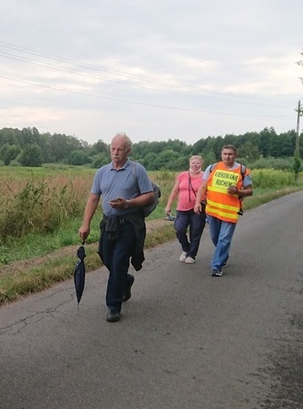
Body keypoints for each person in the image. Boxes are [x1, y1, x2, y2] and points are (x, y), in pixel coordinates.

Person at [78, 133, 154, 323]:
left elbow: (149, 196)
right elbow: (94, 198)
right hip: (108, 223)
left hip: (129, 224)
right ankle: (125, 281)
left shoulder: (137, 170)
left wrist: (127, 203)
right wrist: (85, 223)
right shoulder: (102, 172)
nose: (115, 152)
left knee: (119, 261)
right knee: (106, 256)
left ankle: (113, 306)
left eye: (120, 149)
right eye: (113, 148)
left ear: (128, 150)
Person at [194, 145, 253, 277]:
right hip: (212, 210)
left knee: (224, 239)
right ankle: (223, 255)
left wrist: (238, 191)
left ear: (235, 156)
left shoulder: (242, 170)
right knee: (215, 237)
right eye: (225, 154)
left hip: (230, 212)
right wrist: (198, 202)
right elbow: (203, 187)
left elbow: (250, 190)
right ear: (221, 155)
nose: (227, 156)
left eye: (230, 154)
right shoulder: (213, 168)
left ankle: (216, 266)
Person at [164, 155, 207, 264]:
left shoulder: (205, 177)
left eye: (198, 163)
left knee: (195, 232)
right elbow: (175, 191)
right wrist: (169, 205)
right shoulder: (182, 175)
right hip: (182, 208)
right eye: (193, 163)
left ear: (202, 164)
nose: (195, 165)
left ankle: (191, 255)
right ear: (189, 163)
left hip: (198, 209)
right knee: (179, 229)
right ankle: (186, 248)